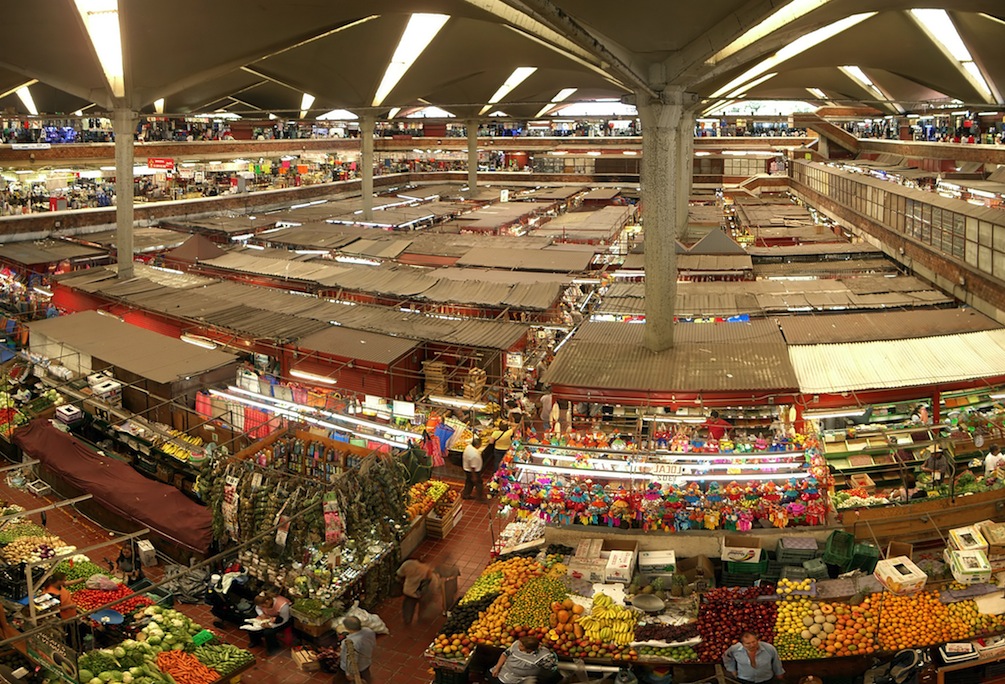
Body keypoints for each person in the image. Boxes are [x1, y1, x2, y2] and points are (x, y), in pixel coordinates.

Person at [491, 635, 559, 684]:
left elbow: (551, 668)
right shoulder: (516, 644)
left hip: (525, 679)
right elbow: (505, 654)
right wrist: (497, 667)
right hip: (506, 672)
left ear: (529, 649)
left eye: (521, 646)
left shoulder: (543, 657)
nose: (518, 646)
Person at [247, 590, 291, 656]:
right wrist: (261, 614)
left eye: (263, 606)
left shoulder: (283, 605)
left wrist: (272, 626)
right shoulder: (262, 603)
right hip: (269, 616)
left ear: (267, 602)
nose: (262, 607)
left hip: (281, 620)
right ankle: (255, 640)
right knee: (252, 622)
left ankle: (273, 649)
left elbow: (284, 620)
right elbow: (257, 608)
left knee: (268, 632)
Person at [336, 616, 376, 684]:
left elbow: (351, 660)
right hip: (366, 662)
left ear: (347, 628)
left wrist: (349, 673)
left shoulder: (350, 643)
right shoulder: (369, 631)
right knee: (366, 678)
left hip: (355, 669)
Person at [396, 558, 433, 626]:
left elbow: (399, 574)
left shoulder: (407, 564)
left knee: (408, 606)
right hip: (421, 592)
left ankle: (407, 620)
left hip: (409, 591)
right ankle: (421, 619)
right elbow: (429, 579)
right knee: (423, 605)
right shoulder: (426, 569)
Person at [462, 436, 485, 502]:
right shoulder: (474, 455)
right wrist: (474, 476)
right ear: (477, 445)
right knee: (478, 483)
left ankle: (466, 494)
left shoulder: (469, 447)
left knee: (469, 482)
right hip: (473, 471)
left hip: (467, 468)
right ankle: (480, 497)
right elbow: (473, 467)